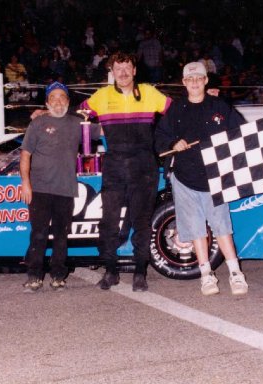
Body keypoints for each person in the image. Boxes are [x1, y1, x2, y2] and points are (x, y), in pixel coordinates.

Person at [155, 62, 249, 296]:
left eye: (199, 78)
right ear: (184, 82)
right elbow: (160, 137)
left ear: (206, 81)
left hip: (215, 179)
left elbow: (241, 134)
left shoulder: (220, 106)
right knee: (196, 230)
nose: (195, 82)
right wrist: (172, 144)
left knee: (222, 228)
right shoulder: (175, 109)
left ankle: (236, 273)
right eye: (190, 79)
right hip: (185, 178)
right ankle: (206, 274)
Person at [80, 52, 172, 291]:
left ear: (134, 71)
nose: (122, 73)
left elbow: (176, 113)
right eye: (117, 68)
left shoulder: (150, 93)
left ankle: (140, 272)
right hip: (115, 165)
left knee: (142, 222)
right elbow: (76, 116)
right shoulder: (102, 96)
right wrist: (46, 115)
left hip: (144, 166)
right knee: (108, 221)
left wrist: (204, 100)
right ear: (112, 72)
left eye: (126, 68)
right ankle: (111, 271)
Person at [20, 82, 100, 292]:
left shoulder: (77, 123)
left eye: (61, 98)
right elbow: (25, 154)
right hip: (39, 189)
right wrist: (26, 183)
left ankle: (58, 275)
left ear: (67, 101)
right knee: (38, 234)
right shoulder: (37, 123)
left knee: (61, 235)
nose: (57, 102)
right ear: (47, 102)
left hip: (66, 189)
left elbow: (105, 131)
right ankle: (34, 276)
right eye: (53, 98)